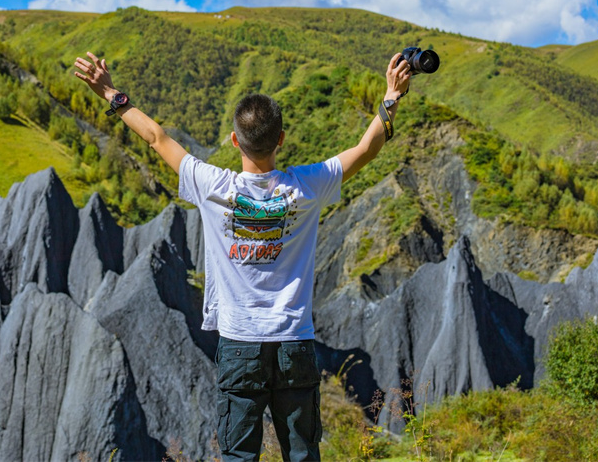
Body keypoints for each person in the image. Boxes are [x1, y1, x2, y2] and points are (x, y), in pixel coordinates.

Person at [75, 51, 411, 461]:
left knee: (239, 456)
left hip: (239, 343)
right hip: (294, 341)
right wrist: (391, 97)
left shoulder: (211, 185)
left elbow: (156, 138)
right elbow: (365, 149)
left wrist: (110, 92)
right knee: (303, 455)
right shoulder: (308, 186)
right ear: (281, 139)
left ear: (235, 140)